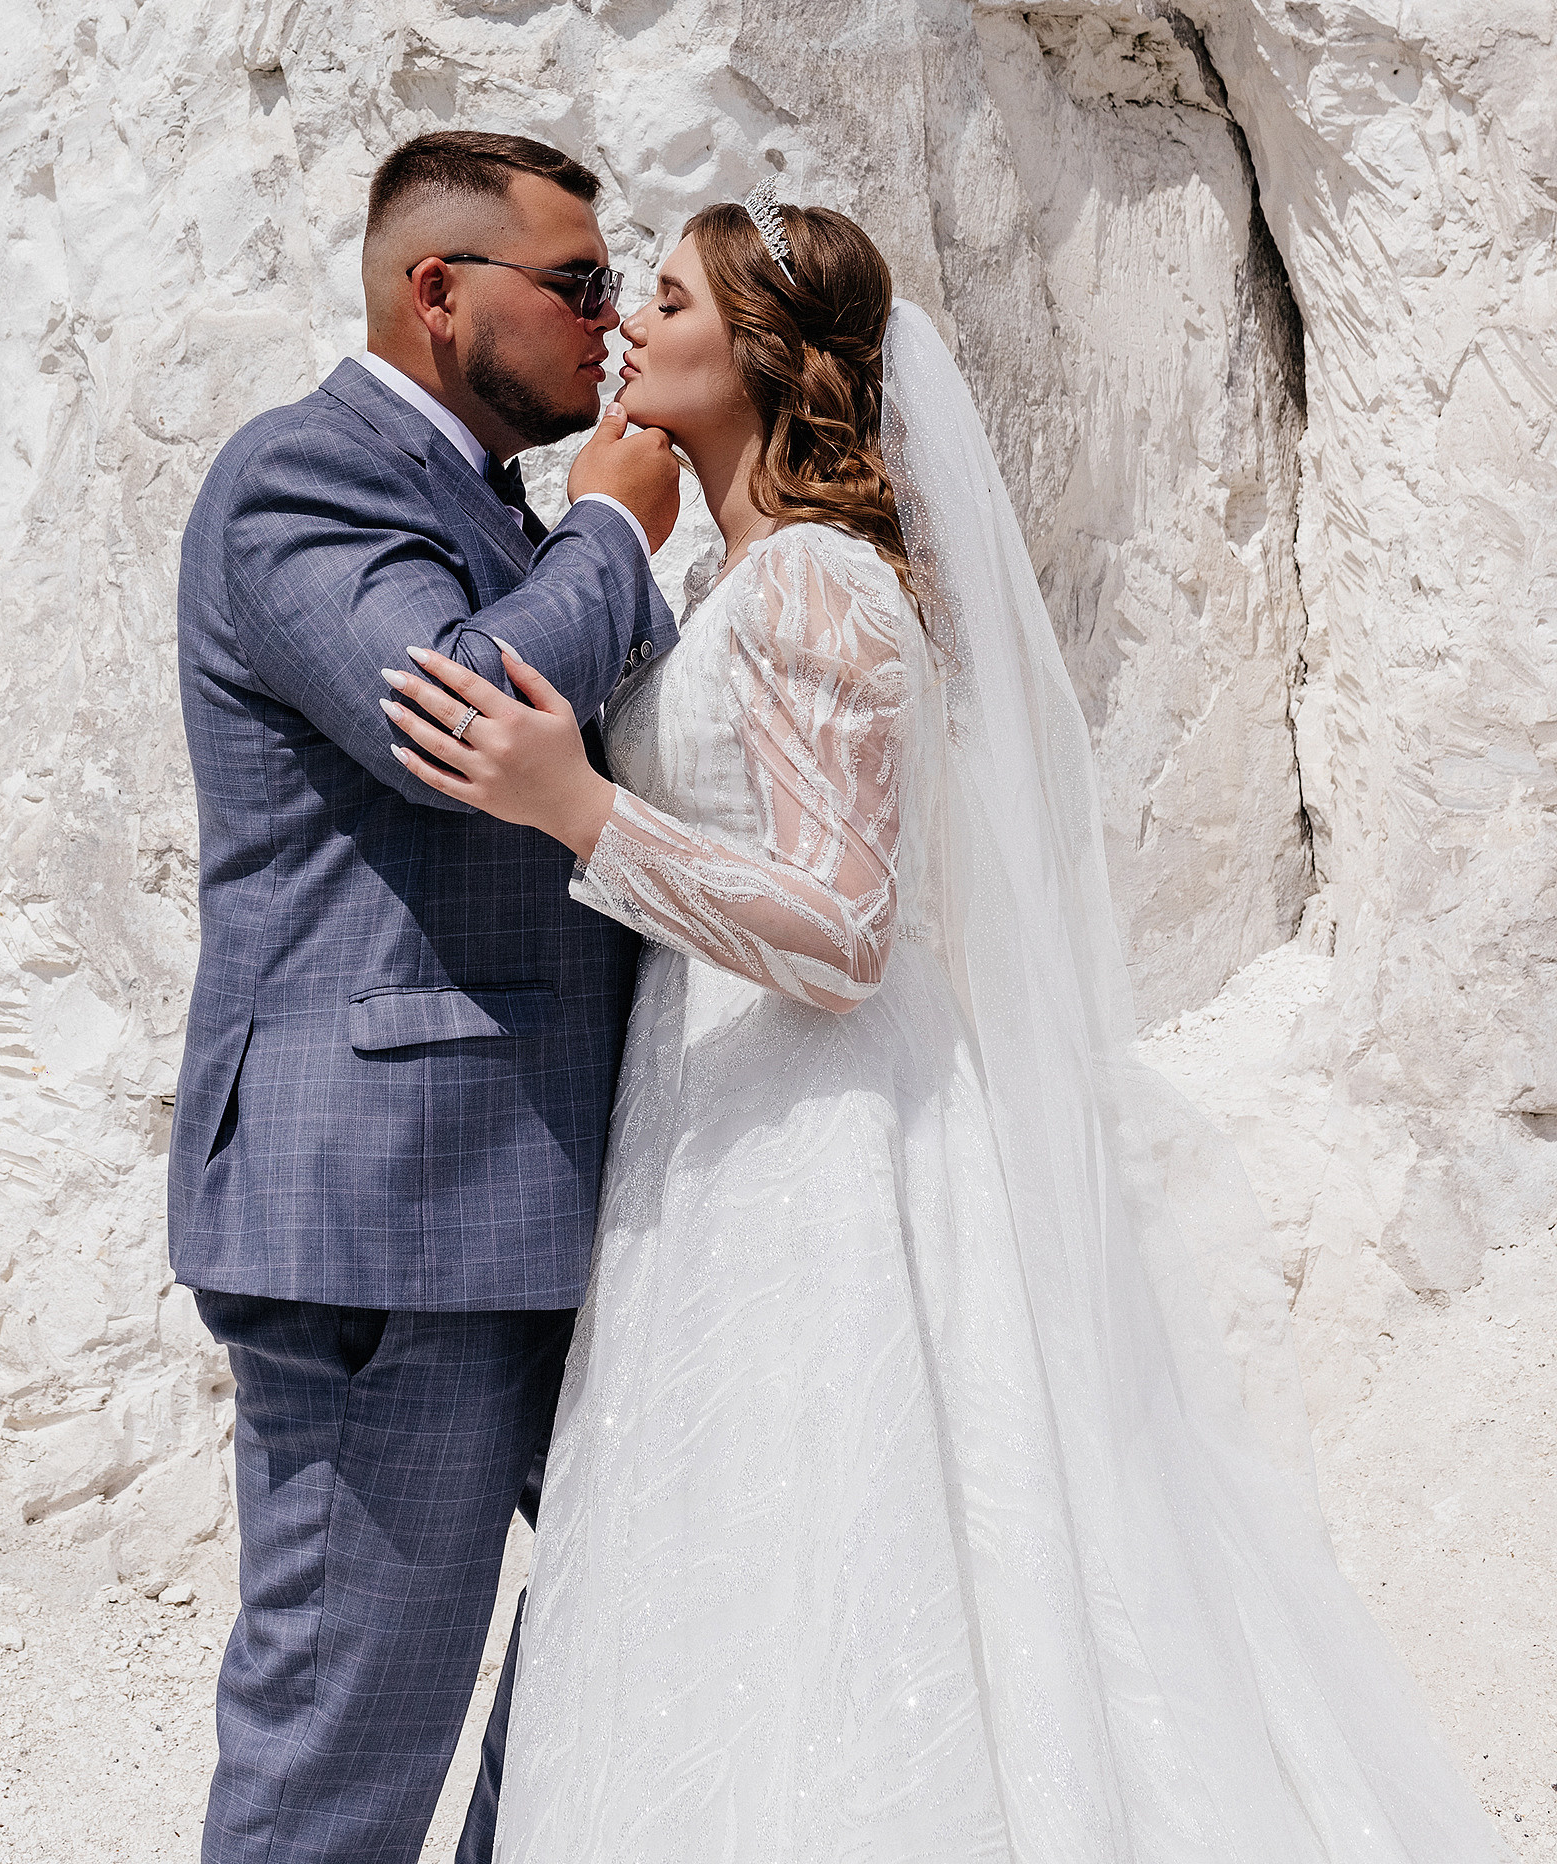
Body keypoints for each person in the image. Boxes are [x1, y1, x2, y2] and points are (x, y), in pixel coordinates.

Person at [382, 186, 1505, 1864]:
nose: (626, 325)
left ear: (761, 359)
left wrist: (578, 814)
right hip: (703, 1141)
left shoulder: (823, 589)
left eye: (669, 305)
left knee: (848, 1557)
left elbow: (844, 935)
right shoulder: (732, 592)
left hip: (827, 1148)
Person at [169, 128, 682, 1864]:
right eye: (582, 285)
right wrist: (616, 522)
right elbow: (455, 720)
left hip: (543, 1191)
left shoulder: (489, 507)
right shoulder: (298, 477)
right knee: (343, 1754)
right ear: (439, 292)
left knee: (646, 1643)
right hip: (386, 1219)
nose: (613, 332)